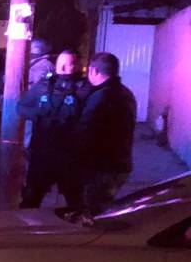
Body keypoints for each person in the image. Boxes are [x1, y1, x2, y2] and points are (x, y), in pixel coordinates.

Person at [19, 50, 91, 208]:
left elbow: (91, 117)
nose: (64, 68)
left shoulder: (83, 88)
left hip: (69, 155)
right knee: (31, 198)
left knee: (75, 200)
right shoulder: (44, 85)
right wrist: (39, 116)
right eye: (61, 64)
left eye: (69, 64)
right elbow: (22, 106)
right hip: (42, 153)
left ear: (77, 65)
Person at [75, 52, 137, 214]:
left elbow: (85, 130)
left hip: (103, 166)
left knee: (94, 210)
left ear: (94, 71)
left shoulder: (101, 97)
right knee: (103, 205)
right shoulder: (125, 93)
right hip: (120, 162)